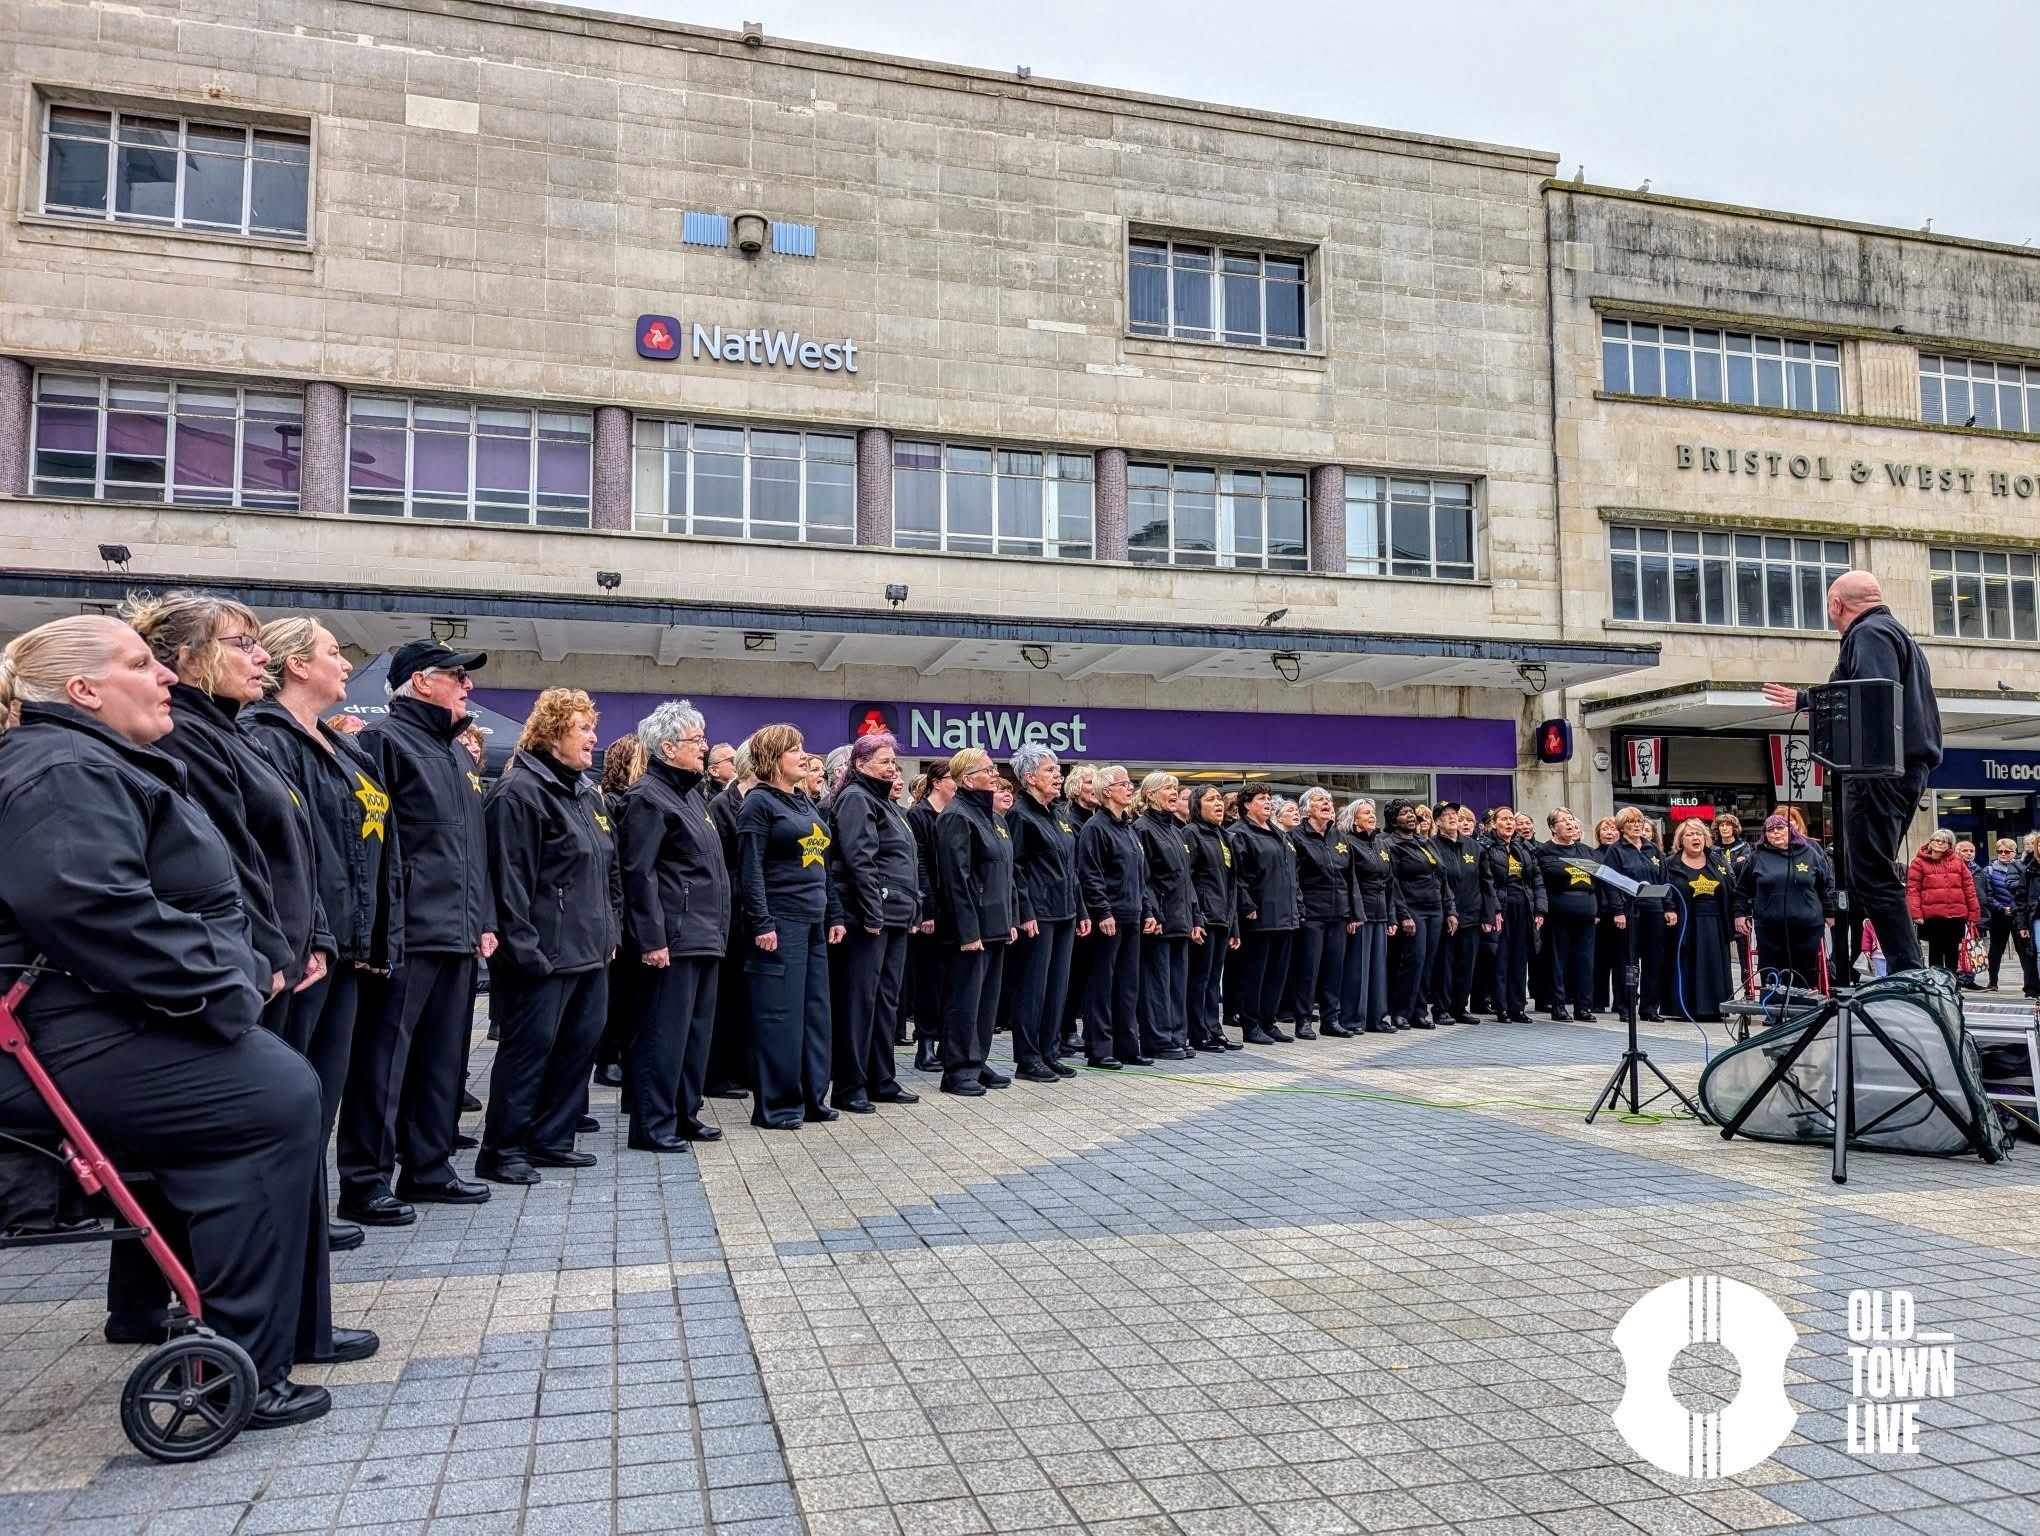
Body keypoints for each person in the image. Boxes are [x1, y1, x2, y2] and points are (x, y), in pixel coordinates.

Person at [0, 617, 334, 1425]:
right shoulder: (58, 766)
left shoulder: (86, 758)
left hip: (98, 1023)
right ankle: (242, 1365)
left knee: (274, 1090)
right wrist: (226, 984)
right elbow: (91, 904)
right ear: (83, 691)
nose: (163, 678)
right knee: (271, 1101)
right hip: (68, 1037)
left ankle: (235, 1342)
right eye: (141, 664)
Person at [122, 594, 363, 1367]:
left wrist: (313, 935)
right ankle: (255, 1327)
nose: (258, 658)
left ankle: (269, 1319)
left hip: (284, 963)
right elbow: (224, 865)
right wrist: (268, 954)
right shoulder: (192, 736)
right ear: (189, 655)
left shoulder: (227, 733)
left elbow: (291, 850)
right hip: (253, 975)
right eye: (242, 644)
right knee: (257, 1151)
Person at [244, 618, 404, 1259]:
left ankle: (306, 1213)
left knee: (323, 1093)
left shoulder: (338, 748)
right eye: (334, 653)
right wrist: (305, 934)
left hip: (344, 945)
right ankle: (282, 1224)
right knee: (293, 1092)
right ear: (296, 666)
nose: (346, 664)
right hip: (304, 949)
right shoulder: (267, 739)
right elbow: (281, 852)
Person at [340, 639, 496, 1222]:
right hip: (406, 933)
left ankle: (429, 1166)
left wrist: (483, 918)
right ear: (422, 682)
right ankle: (365, 1179)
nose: (468, 685)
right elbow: (371, 845)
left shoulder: (457, 755)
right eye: (457, 675)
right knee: (384, 1062)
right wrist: (378, 928)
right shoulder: (382, 741)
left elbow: (471, 849)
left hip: (455, 930)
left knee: (442, 1060)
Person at [1764, 571, 1940, 974]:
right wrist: (1809, 700)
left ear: (1836, 605)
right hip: (1901, 768)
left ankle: (1906, 971)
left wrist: (1808, 699)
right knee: (1862, 873)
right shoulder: (1894, 632)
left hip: (1877, 770)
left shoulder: (1869, 635)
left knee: (1871, 873)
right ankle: (1855, 965)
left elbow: (1872, 693)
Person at [476, 689, 619, 1186]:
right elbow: (508, 880)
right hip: (541, 955)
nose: (593, 738)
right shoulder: (519, 792)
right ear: (553, 733)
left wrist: (612, 931)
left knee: (577, 1049)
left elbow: (608, 868)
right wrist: (525, 951)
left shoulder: (584, 792)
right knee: (527, 1053)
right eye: (583, 728)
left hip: (590, 952)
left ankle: (552, 1140)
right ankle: (503, 1149)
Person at [619, 702, 730, 1152]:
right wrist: (652, 938)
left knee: (694, 1033)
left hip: (705, 934)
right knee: (662, 1035)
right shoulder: (647, 796)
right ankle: (653, 1124)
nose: (703, 747)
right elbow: (637, 872)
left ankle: (685, 1112)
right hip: (674, 937)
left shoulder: (690, 795)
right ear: (667, 747)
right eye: (695, 740)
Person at [738, 726, 841, 1128]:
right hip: (780, 923)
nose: (803, 755)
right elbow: (750, 871)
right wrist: (762, 921)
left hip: (814, 922)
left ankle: (812, 1098)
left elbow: (823, 865)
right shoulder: (758, 805)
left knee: (815, 1014)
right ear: (772, 758)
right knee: (779, 1017)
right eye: (793, 750)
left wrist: (834, 915)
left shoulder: (804, 803)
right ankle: (777, 1106)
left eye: (802, 747)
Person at [826, 732, 922, 1111]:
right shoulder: (855, 799)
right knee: (859, 1003)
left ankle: (882, 1079)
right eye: (883, 761)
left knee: (886, 1003)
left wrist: (911, 909)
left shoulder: (887, 804)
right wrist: (872, 913)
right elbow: (858, 860)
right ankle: (851, 1086)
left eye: (893, 762)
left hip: (895, 916)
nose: (890, 768)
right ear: (860, 765)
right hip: (870, 918)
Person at [932, 748, 1016, 1096]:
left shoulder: (993, 818)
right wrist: (969, 931)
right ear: (968, 779)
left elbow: (1005, 872)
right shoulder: (957, 817)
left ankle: (977, 1061)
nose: (995, 773)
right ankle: (957, 1070)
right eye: (987, 769)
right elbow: (957, 880)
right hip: (971, 929)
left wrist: (1009, 919)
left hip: (995, 923)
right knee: (964, 1001)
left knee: (986, 1003)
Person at [1007, 745, 1082, 1082]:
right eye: (1051, 771)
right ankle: (1028, 1057)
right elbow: (1016, 869)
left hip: (1064, 912)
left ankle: (1050, 1051)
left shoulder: (1057, 815)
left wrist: (1080, 910)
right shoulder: (1021, 816)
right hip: (1038, 914)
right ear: (1029, 778)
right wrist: (1025, 911)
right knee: (1032, 988)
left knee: (1057, 987)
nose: (1058, 776)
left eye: (1057, 770)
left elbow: (1070, 867)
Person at [1076, 765, 1145, 1067]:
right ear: (1107, 791)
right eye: (1124, 784)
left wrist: (1147, 909)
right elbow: (1090, 874)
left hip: (1132, 915)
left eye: (1131, 783)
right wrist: (1102, 910)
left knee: (1128, 984)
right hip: (1110, 916)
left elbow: (1140, 875)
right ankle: (1100, 1049)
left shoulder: (1128, 828)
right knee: (1102, 984)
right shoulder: (1096, 828)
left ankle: (1128, 1046)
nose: (1130, 788)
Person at [592, 736, 646, 1091]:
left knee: (628, 991)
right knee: (615, 990)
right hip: (618, 907)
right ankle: (607, 1057)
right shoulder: (610, 803)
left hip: (630, 907)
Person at [704, 740, 756, 1100]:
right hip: (734, 914)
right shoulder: (723, 805)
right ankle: (718, 1073)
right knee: (728, 997)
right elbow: (724, 864)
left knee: (745, 999)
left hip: (753, 914)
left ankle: (741, 1067)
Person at [1228, 784, 1300, 1045]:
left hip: (1285, 915)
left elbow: (1293, 875)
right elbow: (1239, 877)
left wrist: (1297, 905)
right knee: (1254, 974)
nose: (1268, 803)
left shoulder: (1280, 835)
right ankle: (1251, 1024)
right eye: (1262, 799)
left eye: (1269, 799)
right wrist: (1247, 906)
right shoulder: (1239, 834)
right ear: (1247, 805)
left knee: (1276, 974)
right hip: (1259, 918)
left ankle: (1269, 1021)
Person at [1733, 813, 1835, 993]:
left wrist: (1830, 913)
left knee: (1804, 967)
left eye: (1780, 828)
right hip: (1770, 926)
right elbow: (1742, 890)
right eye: (1770, 830)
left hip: (1807, 924)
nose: (1775, 833)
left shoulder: (1810, 853)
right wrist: (1739, 914)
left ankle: (1801, 1011)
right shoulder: (1757, 856)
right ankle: (1773, 1009)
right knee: (1771, 967)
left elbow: (1824, 887)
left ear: (1791, 830)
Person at [1133, 772, 1196, 1060]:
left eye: (1175, 788)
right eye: (1167, 788)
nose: (1174, 792)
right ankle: (1158, 1038)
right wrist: (1151, 912)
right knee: (1156, 982)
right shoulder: (1143, 829)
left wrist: (1196, 917)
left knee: (1177, 982)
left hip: (1180, 917)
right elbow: (1143, 878)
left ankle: (1177, 1034)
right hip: (1159, 918)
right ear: (1149, 795)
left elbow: (1186, 879)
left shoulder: (1176, 831)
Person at [1384, 798, 1455, 1029]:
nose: (1411, 816)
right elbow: (1392, 883)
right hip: (1412, 908)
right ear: (1394, 820)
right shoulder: (1389, 844)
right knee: (1412, 962)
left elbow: (1442, 877)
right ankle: (1400, 1011)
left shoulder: (1425, 842)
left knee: (1428, 963)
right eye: (1404, 813)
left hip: (1435, 909)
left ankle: (1419, 1011)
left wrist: (1450, 910)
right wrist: (1403, 914)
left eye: (1412, 812)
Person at [1289, 786, 1353, 1040]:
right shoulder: (1296, 837)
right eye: (1319, 800)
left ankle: (1331, 1019)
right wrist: (1300, 910)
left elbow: (1350, 878)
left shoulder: (1339, 837)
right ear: (1306, 810)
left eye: (1328, 799)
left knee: (1334, 968)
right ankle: (1303, 1019)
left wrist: (1353, 912)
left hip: (1338, 913)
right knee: (1308, 969)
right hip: (1311, 913)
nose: (1326, 803)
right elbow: (1293, 878)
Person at [1337, 798, 1404, 1035]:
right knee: (1357, 969)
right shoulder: (1348, 843)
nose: (1371, 816)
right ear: (1354, 820)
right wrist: (1354, 913)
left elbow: (1389, 885)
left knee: (1378, 970)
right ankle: (1352, 1018)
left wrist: (1392, 918)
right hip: (1361, 913)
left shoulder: (1381, 845)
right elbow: (1350, 881)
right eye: (1366, 813)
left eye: (1372, 812)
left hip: (1381, 915)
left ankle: (1377, 1018)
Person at [904, 764, 953, 1072]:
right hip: (931, 909)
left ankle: (949, 1042)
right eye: (953, 779)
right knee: (930, 980)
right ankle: (925, 1044)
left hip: (954, 908)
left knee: (950, 981)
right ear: (937, 783)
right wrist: (928, 909)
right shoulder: (919, 816)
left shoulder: (955, 814)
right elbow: (919, 863)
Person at [1184, 785, 1240, 1052]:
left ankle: (1214, 1030)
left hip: (1222, 918)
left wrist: (1234, 926)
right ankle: (1199, 1032)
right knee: (1200, 978)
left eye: (1219, 799)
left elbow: (1232, 885)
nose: (1218, 804)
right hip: (1204, 917)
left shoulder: (1225, 837)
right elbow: (1189, 880)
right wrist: (1196, 917)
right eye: (1211, 800)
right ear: (1197, 806)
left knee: (1213, 978)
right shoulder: (1191, 834)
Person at [1663, 818, 1734, 1021]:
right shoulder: (1670, 864)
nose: (1696, 838)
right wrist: (1669, 908)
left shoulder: (1718, 861)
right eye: (1690, 834)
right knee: (1688, 963)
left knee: (1713, 963)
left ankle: (1714, 1007)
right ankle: (1685, 1008)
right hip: (1687, 920)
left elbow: (1730, 886)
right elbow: (1665, 888)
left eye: (1699, 834)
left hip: (1714, 921)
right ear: (1681, 840)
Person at [1532, 808, 1600, 1023]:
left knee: (1585, 961)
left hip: (1586, 912)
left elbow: (1599, 880)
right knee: (1558, 961)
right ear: (1553, 827)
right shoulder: (1543, 852)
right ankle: (1558, 1005)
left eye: (1571, 820)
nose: (1570, 824)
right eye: (1564, 821)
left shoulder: (1587, 852)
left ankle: (1583, 1007)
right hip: (1558, 912)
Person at [1601, 807, 1667, 1022]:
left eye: (1639, 822)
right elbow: (1610, 882)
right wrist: (1618, 910)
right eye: (1631, 822)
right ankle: (1625, 1006)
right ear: (1622, 826)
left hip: (1654, 909)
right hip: (1630, 911)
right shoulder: (1616, 851)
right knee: (1628, 960)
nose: (1637, 825)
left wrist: (1669, 907)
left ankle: (1649, 1008)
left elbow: (1664, 879)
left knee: (1654, 960)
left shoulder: (1653, 850)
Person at [1480, 808, 1545, 1024]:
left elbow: (1536, 879)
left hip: (1523, 906)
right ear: (1493, 824)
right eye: (1504, 820)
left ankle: (1518, 1007)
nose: (1509, 823)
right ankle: (1502, 1007)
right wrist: (1494, 910)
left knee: (1520, 959)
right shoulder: (1487, 847)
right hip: (1502, 906)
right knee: (1502, 958)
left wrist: (1540, 910)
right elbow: (1487, 882)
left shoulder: (1523, 847)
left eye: (1511, 820)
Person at [1060, 764, 1101, 1057]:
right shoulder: (1067, 820)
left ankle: (1088, 1027)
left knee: (1090, 973)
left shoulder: (1100, 821)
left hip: (1098, 909)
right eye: (1089, 782)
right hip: (1077, 906)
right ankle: (1066, 1029)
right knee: (1072, 973)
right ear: (1075, 788)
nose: (1094, 786)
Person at [1431, 804, 1484, 1026]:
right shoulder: (1431, 846)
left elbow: (1485, 881)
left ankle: (1460, 1007)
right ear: (1437, 822)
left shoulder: (1473, 846)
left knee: (1466, 964)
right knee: (1445, 964)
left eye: (1455, 815)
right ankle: (1441, 1008)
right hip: (1445, 915)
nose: (1452, 818)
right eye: (1446, 816)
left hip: (1471, 915)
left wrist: (1489, 913)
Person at [1907, 829, 1979, 974]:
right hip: (1932, 915)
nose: (1940, 843)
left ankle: (1952, 984)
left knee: (1953, 950)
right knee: (1936, 950)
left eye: (1944, 841)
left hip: (1956, 915)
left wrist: (1973, 914)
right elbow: (1913, 889)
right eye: (1937, 840)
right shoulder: (1918, 862)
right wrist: (1916, 913)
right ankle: (1936, 983)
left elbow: (1969, 889)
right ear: (1931, 842)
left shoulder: (1958, 862)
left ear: (1949, 845)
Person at [1589, 816, 1624, 1011]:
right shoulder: (1592, 855)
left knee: (1620, 960)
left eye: (1613, 829)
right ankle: (1598, 1001)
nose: (1609, 833)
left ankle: (1621, 1002)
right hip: (1600, 913)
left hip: (1620, 913)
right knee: (1600, 960)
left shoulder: (1622, 854)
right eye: (1605, 830)